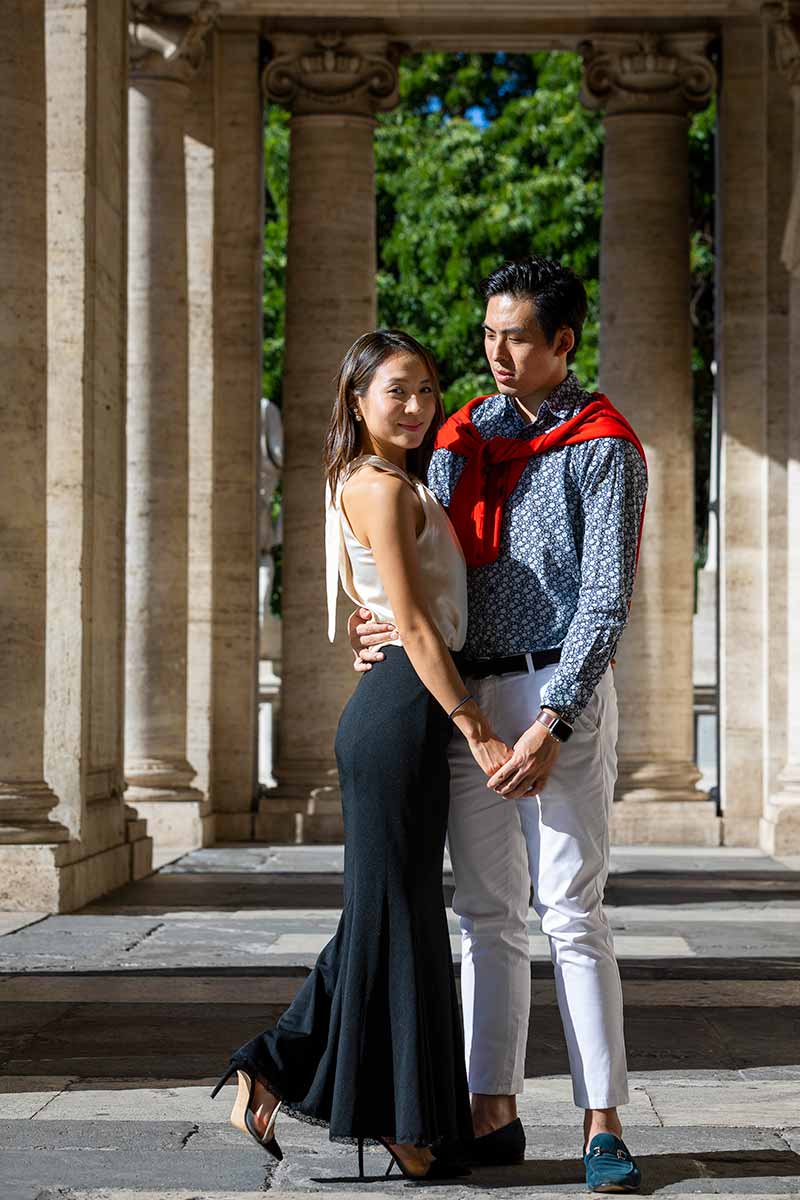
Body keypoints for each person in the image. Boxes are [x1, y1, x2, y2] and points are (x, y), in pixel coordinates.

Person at [351, 257, 648, 1194]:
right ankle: (493, 1111)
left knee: (570, 908)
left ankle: (602, 1122)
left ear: (562, 342)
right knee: (485, 913)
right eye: (488, 335)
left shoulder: (605, 447)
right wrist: (379, 624)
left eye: (517, 336)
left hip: (558, 688)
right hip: (467, 701)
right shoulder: (459, 435)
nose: (497, 353)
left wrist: (556, 719)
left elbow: (606, 597)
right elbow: (417, 548)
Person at [211, 329, 513, 1183]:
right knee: (400, 914)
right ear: (356, 400)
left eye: (425, 389)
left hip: (401, 711)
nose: (416, 406)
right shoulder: (378, 487)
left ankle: (274, 1069)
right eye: (396, 391)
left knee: (389, 911)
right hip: (404, 712)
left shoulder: (385, 481)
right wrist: (476, 725)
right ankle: (402, 1125)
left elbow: (393, 611)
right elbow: (414, 625)